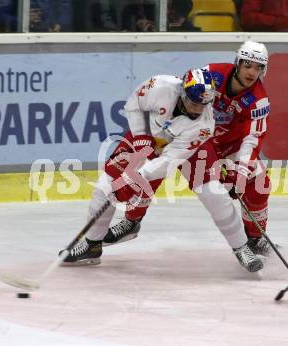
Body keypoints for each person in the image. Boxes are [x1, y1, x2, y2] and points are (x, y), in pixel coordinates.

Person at [60, 68, 264, 273]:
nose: (197, 109)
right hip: (148, 133)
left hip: (188, 149)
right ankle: (92, 245)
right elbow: (133, 105)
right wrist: (140, 138)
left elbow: (168, 161)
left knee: (213, 193)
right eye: (194, 102)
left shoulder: (203, 125)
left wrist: (134, 180)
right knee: (105, 186)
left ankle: (241, 247)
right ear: (183, 93)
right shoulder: (160, 86)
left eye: (203, 105)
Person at [104, 41, 273, 260]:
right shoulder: (212, 73)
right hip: (197, 138)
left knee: (260, 184)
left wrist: (239, 177)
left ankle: (254, 238)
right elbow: (184, 91)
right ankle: (131, 220)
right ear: (238, 62)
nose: (252, 72)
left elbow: (252, 140)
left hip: (231, 148)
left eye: (258, 67)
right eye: (248, 65)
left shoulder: (259, 101)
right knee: (156, 162)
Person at [0, 0, 73, 32]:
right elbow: (0, 17)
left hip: (52, 40)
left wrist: (60, 24)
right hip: (19, 41)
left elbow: (65, 10)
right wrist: (23, 21)